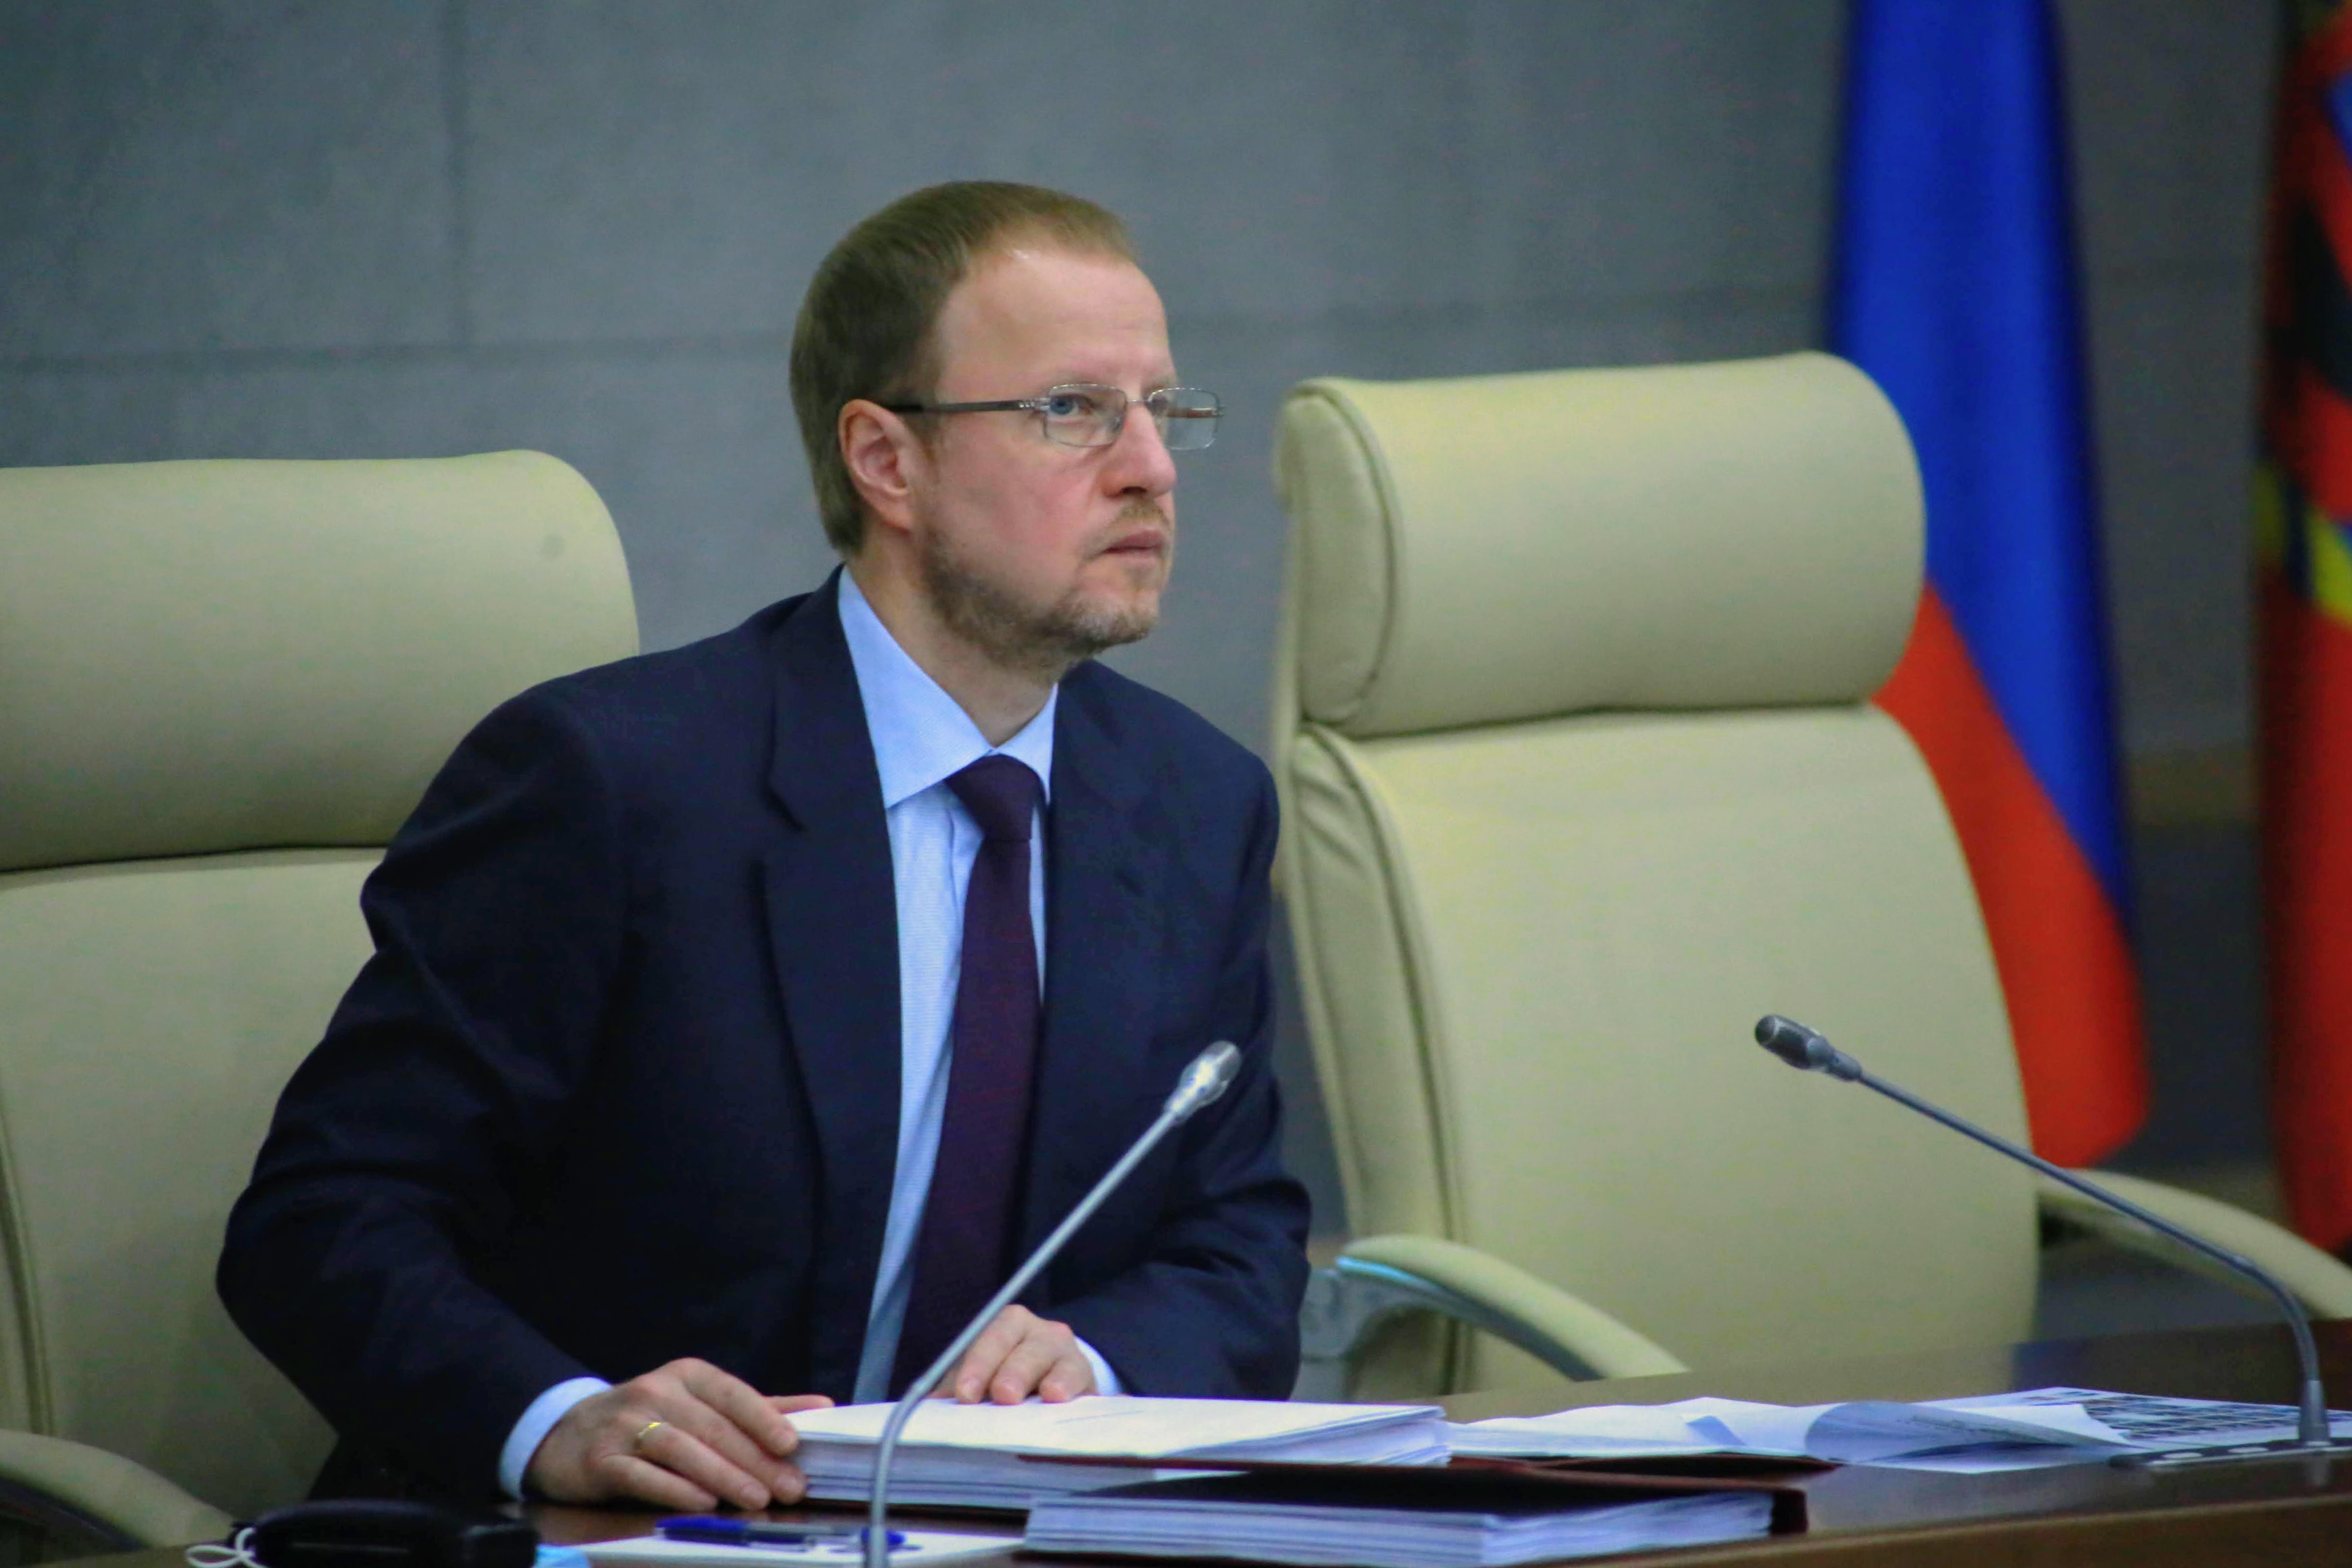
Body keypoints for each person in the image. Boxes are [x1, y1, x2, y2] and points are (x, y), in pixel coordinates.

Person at [218, 182, 1310, 1511]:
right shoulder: (613, 784)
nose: (1152, 467)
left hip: (1004, 1528)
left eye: (1163, 409)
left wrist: (1097, 1358)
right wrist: (555, 1418)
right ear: (886, 460)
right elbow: (325, 1219)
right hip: (625, 1530)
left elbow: (1237, 1239)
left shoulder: (1194, 802)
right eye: (1071, 410)